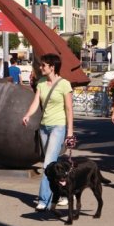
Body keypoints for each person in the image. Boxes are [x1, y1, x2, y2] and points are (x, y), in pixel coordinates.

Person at [21, 53, 74, 211]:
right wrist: (28, 115)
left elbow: (69, 109)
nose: (40, 67)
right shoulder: (41, 83)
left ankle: (44, 199)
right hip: (44, 127)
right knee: (55, 164)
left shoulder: (64, 84)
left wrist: (70, 132)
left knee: (48, 164)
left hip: (58, 126)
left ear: (52, 67)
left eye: (43, 65)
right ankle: (64, 193)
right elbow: (36, 102)